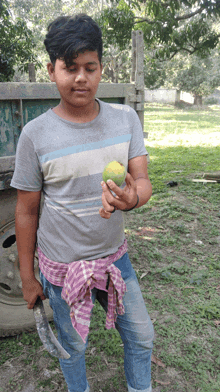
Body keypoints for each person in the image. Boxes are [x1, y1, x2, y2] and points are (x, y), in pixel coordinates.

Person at [11, 14, 154, 392]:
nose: (80, 78)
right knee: (72, 347)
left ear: (101, 68)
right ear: (51, 70)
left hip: (114, 260)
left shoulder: (125, 119)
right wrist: (28, 279)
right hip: (62, 270)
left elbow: (142, 181)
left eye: (90, 67)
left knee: (141, 337)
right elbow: (25, 212)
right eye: (69, 67)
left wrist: (132, 198)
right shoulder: (35, 135)